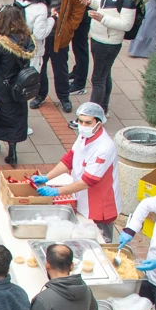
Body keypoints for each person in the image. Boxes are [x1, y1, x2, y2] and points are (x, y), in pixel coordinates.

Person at [33, 102, 120, 239]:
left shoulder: (104, 148)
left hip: (99, 205)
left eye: (88, 122)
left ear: (99, 123)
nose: (83, 126)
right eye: (80, 121)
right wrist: (47, 177)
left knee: (100, 240)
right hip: (82, 196)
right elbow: (70, 159)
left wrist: (56, 191)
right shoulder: (84, 136)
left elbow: (88, 181)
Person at [77, 0, 138, 114]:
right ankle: (103, 109)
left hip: (109, 43)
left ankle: (91, 115)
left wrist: (102, 19)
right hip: (97, 37)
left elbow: (126, 24)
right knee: (105, 74)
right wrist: (90, 2)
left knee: (98, 80)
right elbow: (104, 6)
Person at [0, 5, 36, 166]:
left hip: (0, 86)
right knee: (15, 117)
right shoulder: (27, 39)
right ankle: (12, 152)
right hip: (19, 86)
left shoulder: (1, 43)